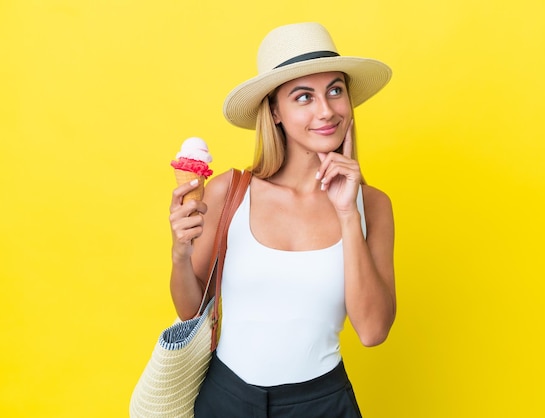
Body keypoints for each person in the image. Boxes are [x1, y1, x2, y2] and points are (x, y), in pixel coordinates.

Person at [168, 22, 396, 417]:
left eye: (335, 90)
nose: (326, 110)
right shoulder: (229, 192)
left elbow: (373, 332)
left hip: (323, 403)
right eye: (303, 97)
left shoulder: (371, 206)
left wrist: (347, 214)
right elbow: (190, 310)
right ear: (274, 111)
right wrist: (180, 254)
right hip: (226, 399)